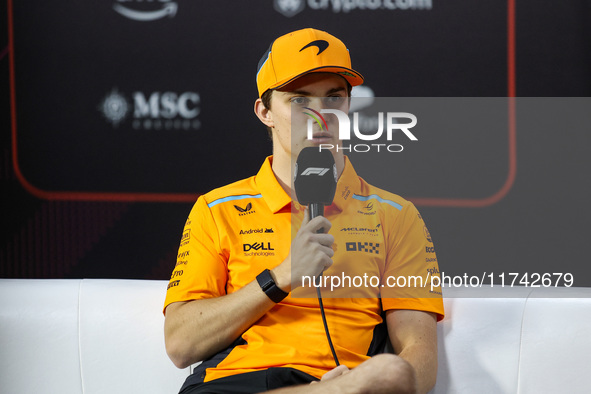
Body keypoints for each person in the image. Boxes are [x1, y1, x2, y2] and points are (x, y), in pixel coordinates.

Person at [163, 28, 444, 394]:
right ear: (265, 112)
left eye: (334, 98)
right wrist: (280, 278)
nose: (320, 114)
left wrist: (361, 384)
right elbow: (181, 345)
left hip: (344, 382)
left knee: (389, 373)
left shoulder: (395, 214)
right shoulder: (217, 209)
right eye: (299, 100)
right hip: (232, 384)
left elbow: (420, 354)